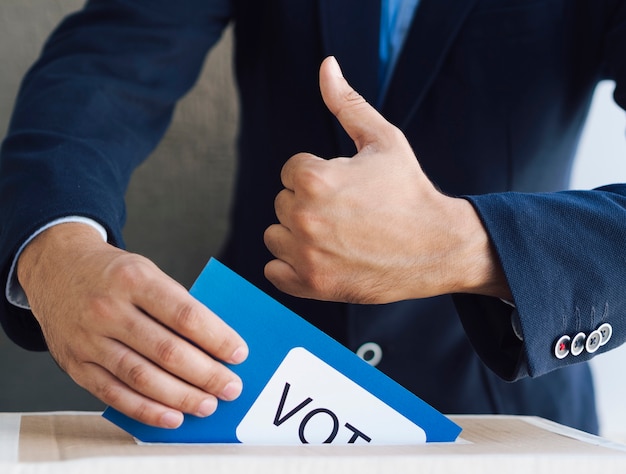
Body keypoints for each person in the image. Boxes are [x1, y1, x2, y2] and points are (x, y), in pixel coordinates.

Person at [1, 0, 623, 434]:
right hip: (244, 392)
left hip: (500, 414)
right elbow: (107, 60)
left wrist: (462, 245)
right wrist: (56, 240)